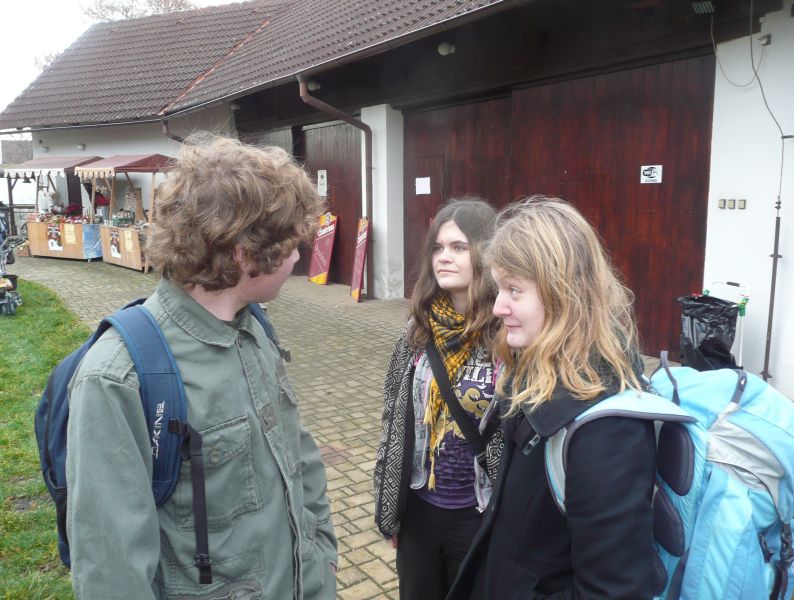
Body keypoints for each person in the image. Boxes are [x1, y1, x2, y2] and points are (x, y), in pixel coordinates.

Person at [66, 135, 337, 599]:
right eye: (292, 244)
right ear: (244, 254)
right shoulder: (117, 378)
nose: (298, 256)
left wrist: (323, 559)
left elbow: (300, 457)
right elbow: (111, 572)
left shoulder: (255, 328)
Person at [448, 196, 655, 599]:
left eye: (514, 290)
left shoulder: (608, 430)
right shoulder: (536, 374)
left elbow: (613, 591)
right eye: (499, 288)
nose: (498, 307)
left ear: (564, 296)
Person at [374, 198, 502, 600]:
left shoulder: (506, 335)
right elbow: (393, 419)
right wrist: (388, 507)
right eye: (438, 247)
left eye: (459, 247)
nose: (444, 257)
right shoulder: (416, 332)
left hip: (479, 511)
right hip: (420, 510)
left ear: (485, 253)